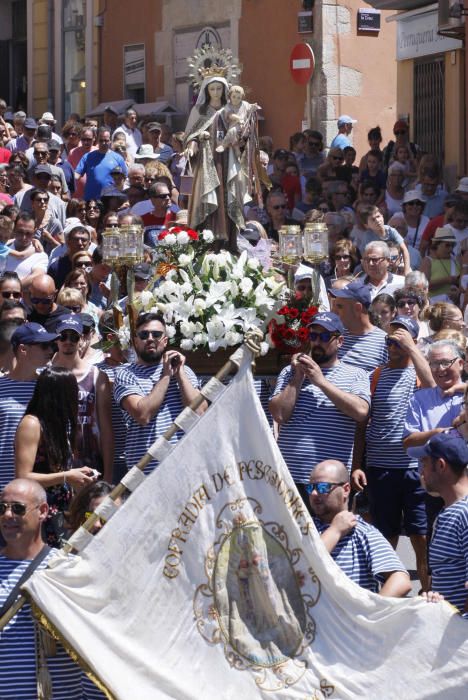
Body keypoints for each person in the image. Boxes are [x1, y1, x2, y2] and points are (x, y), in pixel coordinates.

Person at [351, 316, 434, 590]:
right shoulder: (375, 375)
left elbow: (432, 387)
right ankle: (388, 591)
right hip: (380, 468)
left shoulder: (418, 374)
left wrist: (412, 349)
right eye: (390, 339)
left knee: (420, 536)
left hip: (414, 470)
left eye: (400, 338)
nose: (393, 343)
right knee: (385, 535)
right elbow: (362, 425)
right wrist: (357, 465)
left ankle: (428, 591)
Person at [269, 312, 370, 502]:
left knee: (327, 532)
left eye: (324, 337)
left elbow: (361, 412)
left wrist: (321, 382)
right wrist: (297, 378)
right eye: (313, 336)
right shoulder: (290, 372)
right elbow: (279, 415)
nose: (317, 342)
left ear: (340, 341)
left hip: (329, 482)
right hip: (288, 477)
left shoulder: (356, 375)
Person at [0, 478, 83, 698]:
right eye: (2, 508)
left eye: (18, 508)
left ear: (43, 511)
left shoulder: (67, 568)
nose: (8, 516)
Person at [14, 367, 100, 547]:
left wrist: (77, 476)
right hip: (39, 512)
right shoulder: (32, 424)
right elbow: (23, 476)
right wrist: (66, 476)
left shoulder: (59, 424)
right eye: (72, 391)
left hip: (61, 511)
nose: (76, 397)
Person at [114, 312, 203, 474]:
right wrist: (166, 375)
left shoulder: (184, 371)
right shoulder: (124, 373)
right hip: (145, 472)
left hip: (186, 468)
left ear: (165, 340)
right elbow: (143, 414)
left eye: (156, 334)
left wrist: (180, 373)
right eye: (143, 334)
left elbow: (199, 411)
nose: (150, 338)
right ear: (135, 341)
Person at [308, 460, 411, 597]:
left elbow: (401, 580)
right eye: (310, 488)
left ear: (346, 490)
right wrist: (335, 531)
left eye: (322, 487)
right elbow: (302, 565)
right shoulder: (303, 527)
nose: (314, 493)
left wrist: (372, 613)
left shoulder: (362, 532)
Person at [185, 76, 257, 251]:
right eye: (212, 89)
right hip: (207, 161)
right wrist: (193, 143)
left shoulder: (230, 108)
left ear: (225, 91)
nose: (216, 93)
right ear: (206, 91)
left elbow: (243, 132)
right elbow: (190, 135)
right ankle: (207, 243)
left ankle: (229, 243)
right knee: (209, 196)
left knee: (229, 197)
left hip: (228, 161)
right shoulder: (200, 110)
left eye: (219, 89)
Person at [409, 432, 468, 614]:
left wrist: (458, 624)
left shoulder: (465, 514)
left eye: (424, 463)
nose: (421, 472)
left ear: (441, 465)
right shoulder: (446, 513)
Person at [52, 316, 113, 481]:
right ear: (56, 339)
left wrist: (108, 475)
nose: (68, 341)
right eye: (63, 336)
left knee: (89, 508)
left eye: (74, 337)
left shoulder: (97, 376)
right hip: (55, 467)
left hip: (91, 464)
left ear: (82, 339)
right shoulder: (46, 376)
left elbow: (106, 428)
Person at [0, 323, 57, 488]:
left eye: (51, 345)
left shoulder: (49, 386)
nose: (50, 351)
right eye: (44, 345)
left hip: (37, 487)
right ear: (23, 349)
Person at [331, 280, 388, 373]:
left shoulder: (384, 342)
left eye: (340, 306)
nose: (334, 311)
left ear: (358, 309)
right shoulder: (333, 336)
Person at [75, 127, 128, 201]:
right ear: (97, 140)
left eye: (106, 141)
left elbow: (125, 177)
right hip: (91, 202)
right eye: (101, 140)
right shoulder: (87, 157)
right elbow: (76, 175)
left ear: (110, 141)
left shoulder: (118, 158)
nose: (104, 143)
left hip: (110, 202)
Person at [4, 213, 48, 287]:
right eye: (20, 232)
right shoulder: (4, 247)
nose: (24, 237)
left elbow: (37, 275)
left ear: (34, 231)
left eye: (28, 233)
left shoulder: (40, 255)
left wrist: (12, 289)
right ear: (14, 229)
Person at [420, 227, 460, 303]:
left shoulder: (455, 261)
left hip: (453, 306)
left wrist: (458, 291)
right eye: (447, 245)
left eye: (452, 245)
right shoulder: (428, 261)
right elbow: (422, 286)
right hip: (434, 305)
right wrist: (446, 280)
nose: (451, 249)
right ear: (436, 245)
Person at [48, 221, 92, 289]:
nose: (80, 243)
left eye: (83, 240)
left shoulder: (94, 266)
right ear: (68, 242)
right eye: (76, 239)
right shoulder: (56, 267)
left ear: (89, 244)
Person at [141, 182, 177, 247]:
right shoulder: (143, 219)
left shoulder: (176, 219)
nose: (168, 198)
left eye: (169, 195)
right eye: (163, 196)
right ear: (152, 200)